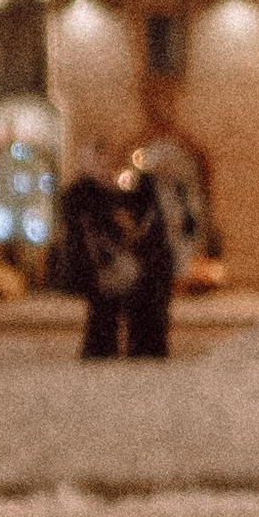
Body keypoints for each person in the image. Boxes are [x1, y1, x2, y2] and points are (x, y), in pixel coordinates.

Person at [58, 147, 174, 359]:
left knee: (107, 315)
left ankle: (116, 352)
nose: (107, 169)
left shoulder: (106, 194)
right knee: (106, 314)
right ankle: (122, 352)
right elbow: (100, 231)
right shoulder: (87, 194)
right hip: (103, 266)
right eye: (101, 163)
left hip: (108, 267)